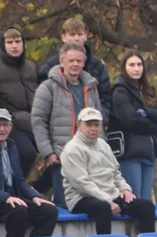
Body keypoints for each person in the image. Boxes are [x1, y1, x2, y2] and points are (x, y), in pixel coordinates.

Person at [60, 107, 156, 235]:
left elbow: (116, 172)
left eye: (96, 124)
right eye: (88, 124)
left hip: (110, 194)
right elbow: (82, 184)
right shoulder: (72, 149)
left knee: (146, 206)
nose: (93, 128)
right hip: (81, 198)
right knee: (103, 208)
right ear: (79, 125)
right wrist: (108, 200)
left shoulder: (103, 145)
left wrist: (125, 189)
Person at [31, 42, 101, 207]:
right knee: (65, 206)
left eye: (79, 60)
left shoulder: (91, 87)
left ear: (84, 63)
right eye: (71, 60)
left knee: (93, 205)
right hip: (62, 157)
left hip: (89, 158)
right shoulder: (48, 88)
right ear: (62, 61)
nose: (75, 64)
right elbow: (38, 120)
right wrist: (48, 152)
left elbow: (98, 122)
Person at [111, 51, 157, 200]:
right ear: (124, 67)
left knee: (145, 200)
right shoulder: (119, 91)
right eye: (132, 65)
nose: (136, 68)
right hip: (130, 152)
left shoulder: (148, 91)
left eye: (139, 64)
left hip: (150, 152)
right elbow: (131, 120)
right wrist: (154, 125)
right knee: (134, 199)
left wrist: (147, 112)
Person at [0, 108, 57, 237]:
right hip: (4, 200)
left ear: (11, 128)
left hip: (11, 197)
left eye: (5, 125)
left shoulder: (11, 147)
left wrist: (34, 196)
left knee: (48, 211)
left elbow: (19, 180)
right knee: (18, 210)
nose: (2, 129)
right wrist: (5, 197)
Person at [37, 18, 111, 118]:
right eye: (72, 35)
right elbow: (42, 100)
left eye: (80, 34)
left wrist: (100, 119)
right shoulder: (51, 65)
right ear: (63, 37)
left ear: (86, 36)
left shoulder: (98, 66)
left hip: (92, 124)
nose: (76, 39)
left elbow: (105, 99)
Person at [0, 26, 40, 176]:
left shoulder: (31, 67)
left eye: (18, 41)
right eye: (10, 42)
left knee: (60, 152)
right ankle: (15, 189)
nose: (15, 46)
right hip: (10, 123)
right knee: (26, 153)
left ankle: (36, 189)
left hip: (35, 121)